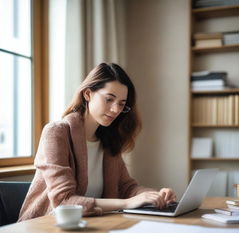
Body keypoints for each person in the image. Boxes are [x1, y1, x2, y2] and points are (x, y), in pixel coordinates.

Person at [18, 63, 176, 221]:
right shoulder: (56, 132)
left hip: (88, 226)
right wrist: (127, 203)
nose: (115, 110)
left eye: (121, 104)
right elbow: (63, 201)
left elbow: (126, 187)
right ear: (88, 94)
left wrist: (156, 196)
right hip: (44, 227)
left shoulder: (108, 140)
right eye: (109, 99)